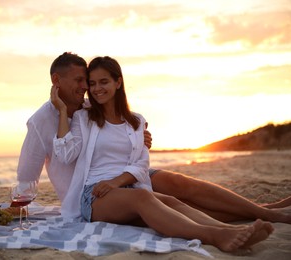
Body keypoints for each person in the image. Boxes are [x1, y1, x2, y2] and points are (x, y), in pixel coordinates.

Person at [16, 52, 291, 224]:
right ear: (56, 80)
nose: (86, 87)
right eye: (79, 80)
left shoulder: (89, 106)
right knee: (168, 207)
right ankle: (261, 212)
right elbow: (27, 176)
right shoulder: (42, 121)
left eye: (85, 80)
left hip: (124, 170)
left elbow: (116, 128)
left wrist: (140, 137)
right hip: (91, 188)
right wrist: (18, 208)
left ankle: (262, 209)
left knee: (179, 182)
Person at [50, 55, 272, 252]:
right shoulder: (84, 117)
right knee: (144, 197)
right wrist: (61, 111)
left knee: (172, 201)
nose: (97, 88)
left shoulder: (136, 121)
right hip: (96, 194)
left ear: (118, 82)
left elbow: (141, 163)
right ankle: (215, 236)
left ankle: (227, 228)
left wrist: (118, 181)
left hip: (127, 187)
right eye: (93, 84)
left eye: (104, 82)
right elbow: (65, 155)